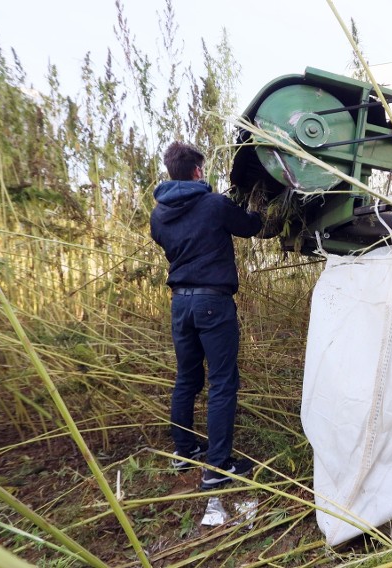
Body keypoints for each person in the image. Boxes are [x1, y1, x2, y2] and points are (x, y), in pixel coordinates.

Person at [150, 141, 263, 490]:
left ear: (172, 172)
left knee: (187, 378)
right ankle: (217, 467)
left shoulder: (158, 215)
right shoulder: (213, 204)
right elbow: (249, 227)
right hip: (213, 303)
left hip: (180, 304)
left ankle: (184, 450)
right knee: (223, 382)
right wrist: (257, 208)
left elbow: (167, 241)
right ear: (197, 171)